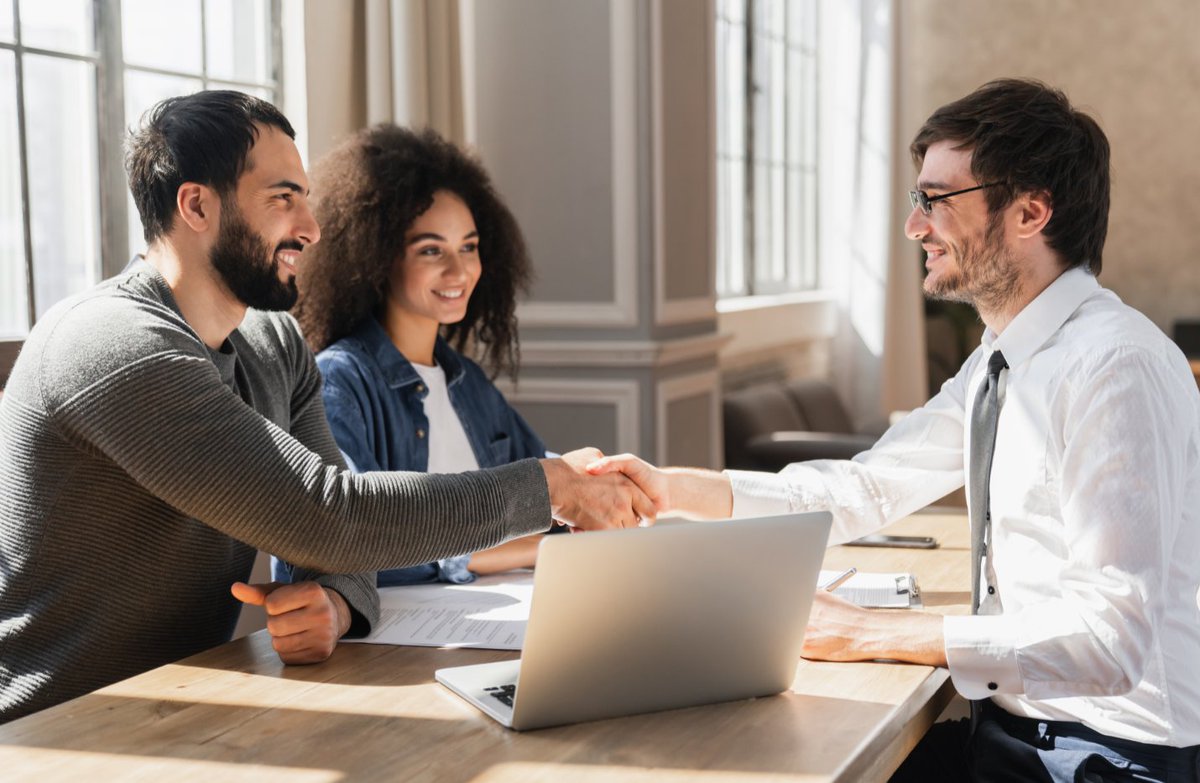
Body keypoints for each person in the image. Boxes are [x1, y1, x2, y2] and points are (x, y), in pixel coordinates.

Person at [588, 79, 1200, 781]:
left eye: (936, 200)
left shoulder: (1114, 366)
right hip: (1020, 735)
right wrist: (670, 490)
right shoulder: (1001, 359)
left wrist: (866, 631)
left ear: (1029, 213)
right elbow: (868, 486)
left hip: (1110, 758)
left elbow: (1110, 639)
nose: (914, 226)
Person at [0, 90, 654, 724]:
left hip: (187, 708)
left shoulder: (273, 344)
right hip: (52, 734)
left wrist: (337, 603)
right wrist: (549, 486)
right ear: (196, 205)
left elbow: (338, 547)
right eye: (283, 198)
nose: (310, 229)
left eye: (306, 198)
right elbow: (330, 515)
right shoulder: (115, 345)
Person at [272, 124, 550, 587]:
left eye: (468, 247)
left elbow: (546, 478)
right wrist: (500, 551)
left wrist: (607, 479)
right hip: (404, 629)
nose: (458, 270)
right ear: (378, 258)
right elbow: (351, 537)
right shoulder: (338, 382)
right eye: (431, 250)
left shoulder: (466, 380)